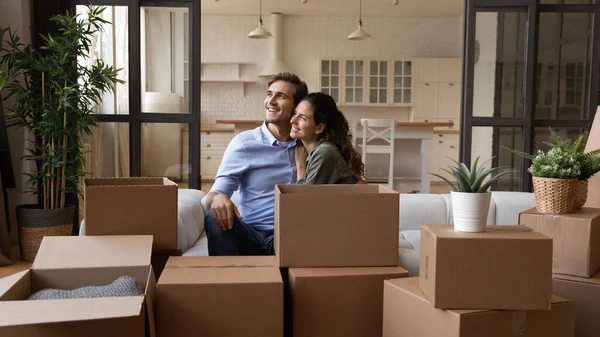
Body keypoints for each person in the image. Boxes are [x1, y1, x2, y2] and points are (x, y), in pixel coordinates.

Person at [204, 72, 308, 256]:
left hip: (291, 236)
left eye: (281, 96)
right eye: (269, 94)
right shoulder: (244, 143)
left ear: (296, 107)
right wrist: (218, 198)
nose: (271, 101)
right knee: (213, 217)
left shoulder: (307, 145)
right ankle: (226, 282)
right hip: (251, 235)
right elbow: (211, 196)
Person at [291, 92, 365, 184]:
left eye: (303, 118)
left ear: (319, 128)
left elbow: (305, 197)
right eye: (295, 113)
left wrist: (301, 167)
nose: (292, 120)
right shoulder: (321, 149)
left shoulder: (324, 152)